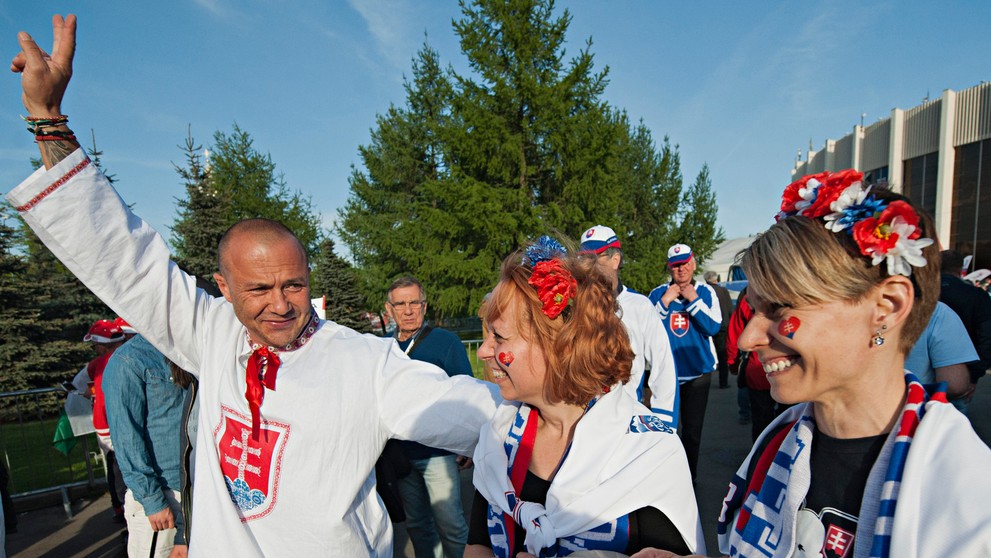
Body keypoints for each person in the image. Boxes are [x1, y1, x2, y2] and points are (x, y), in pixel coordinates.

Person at [7, 16, 500, 556]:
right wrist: (48, 120)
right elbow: (122, 257)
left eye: (294, 284)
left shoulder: (364, 362)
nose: (282, 305)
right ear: (222, 285)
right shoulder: (210, 330)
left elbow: (472, 408)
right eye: (258, 290)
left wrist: (561, 400)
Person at [708, 170, 991, 556]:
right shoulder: (779, 441)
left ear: (886, 307)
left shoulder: (968, 498)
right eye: (754, 309)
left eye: (778, 308)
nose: (747, 339)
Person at [466, 236, 705, 558]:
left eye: (499, 337)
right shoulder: (498, 436)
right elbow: (478, 545)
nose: (483, 351)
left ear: (560, 345)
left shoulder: (647, 451)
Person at [384, 276, 473, 558]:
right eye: (401, 304)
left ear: (424, 305)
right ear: (389, 309)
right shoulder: (381, 349)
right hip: (400, 455)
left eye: (414, 302)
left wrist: (469, 442)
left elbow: (467, 392)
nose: (408, 310)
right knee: (418, 526)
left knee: (451, 526)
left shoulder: (446, 342)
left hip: (438, 454)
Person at [579, 225, 678, 427]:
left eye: (595, 259)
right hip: (580, 420)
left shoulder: (640, 305)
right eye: (584, 259)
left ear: (615, 260)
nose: (587, 266)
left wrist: (664, 422)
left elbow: (663, 365)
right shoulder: (574, 304)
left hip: (625, 419)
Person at [104, 335, 192, 558]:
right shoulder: (128, 359)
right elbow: (127, 439)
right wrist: (153, 501)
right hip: (165, 494)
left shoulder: (192, 347)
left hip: (200, 489)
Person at [648, 244, 722, 481]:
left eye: (685, 263)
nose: (681, 269)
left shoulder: (707, 292)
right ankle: (666, 478)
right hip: (666, 374)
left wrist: (693, 300)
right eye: (676, 265)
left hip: (698, 373)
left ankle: (689, 478)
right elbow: (646, 331)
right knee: (665, 431)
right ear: (670, 267)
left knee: (692, 432)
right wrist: (665, 303)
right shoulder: (658, 293)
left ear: (693, 264)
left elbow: (713, 326)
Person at [83, 318, 128, 523]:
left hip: (117, 431)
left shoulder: (105, 363)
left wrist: (104, 434)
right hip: (124, 427)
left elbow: (101, 402)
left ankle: (124, 512)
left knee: (120, 473)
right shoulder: (114, 360)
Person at [938, 249, 991, 409]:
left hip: (920, 373)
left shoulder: (920, 292)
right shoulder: (976, 295)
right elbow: (986, 337)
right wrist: (974, 376)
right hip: (961, 375)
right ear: (960, 268)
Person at [703, 272, 733, 389]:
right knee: (722, 354)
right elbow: (730, 308)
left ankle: (703, 382)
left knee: (707, 352)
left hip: (707, 325)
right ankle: (723, 382)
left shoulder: (703, 291)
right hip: (723, 326)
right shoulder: (723, 291)